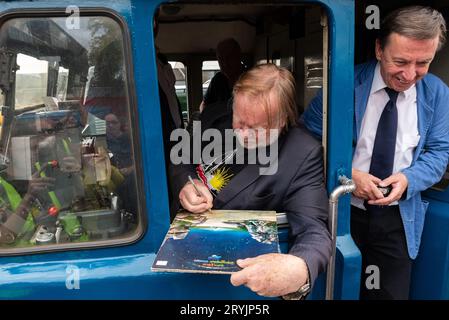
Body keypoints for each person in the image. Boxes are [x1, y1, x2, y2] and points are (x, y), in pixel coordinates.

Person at [302, 6, 449, 300]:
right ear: (379, 49)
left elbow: (439, 152)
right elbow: (305, 140)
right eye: (401, 61)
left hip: (399, 219)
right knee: (334, 289)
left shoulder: (437, 93)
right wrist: (349, 175)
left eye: (423, 63)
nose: (410, 74)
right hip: (341, 212)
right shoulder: (341, 85)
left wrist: (408, 180)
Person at [171, 64, 331, 298]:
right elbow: (181, 156)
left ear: (282, 119)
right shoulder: (216, 116)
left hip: (234, 283)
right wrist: (187, 183)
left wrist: (300, 268)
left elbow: (314, 229)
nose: (243, 134)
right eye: (240, 121)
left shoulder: (302, 154)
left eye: (257, 128)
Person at [199, 38, 244, 113]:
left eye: (229, 58)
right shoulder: (218, 79)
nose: (225, 63)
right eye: (221, 59)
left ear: (239, 56)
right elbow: (204, 104)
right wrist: (206, 117)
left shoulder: (251, 78)